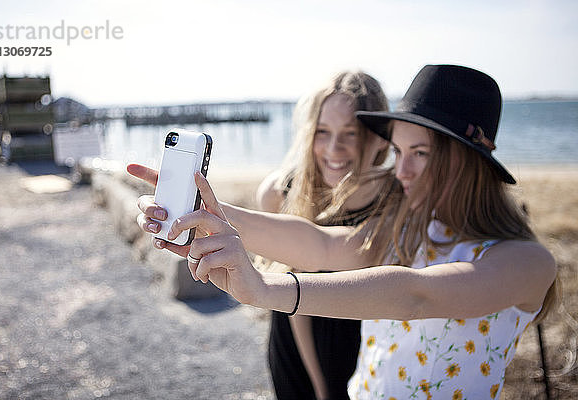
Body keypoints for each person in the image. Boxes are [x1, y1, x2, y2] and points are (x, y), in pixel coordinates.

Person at [128, 65, 558, 399]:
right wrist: (204, 211)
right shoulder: (406, 226)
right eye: (399, 152)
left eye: (420, 154)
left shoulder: (526, 262)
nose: (401, 171)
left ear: (468, 160)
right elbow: (319, 244)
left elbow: (416, 294)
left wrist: (264, 289)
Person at [255, 71, 392, 400]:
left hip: (368, 343)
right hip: (298, 343)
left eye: (351, 133)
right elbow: (293, 301)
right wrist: (323, 387)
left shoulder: (395, 199)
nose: (334, 148)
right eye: (322, 131)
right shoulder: (279, 193)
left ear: (377, 137)